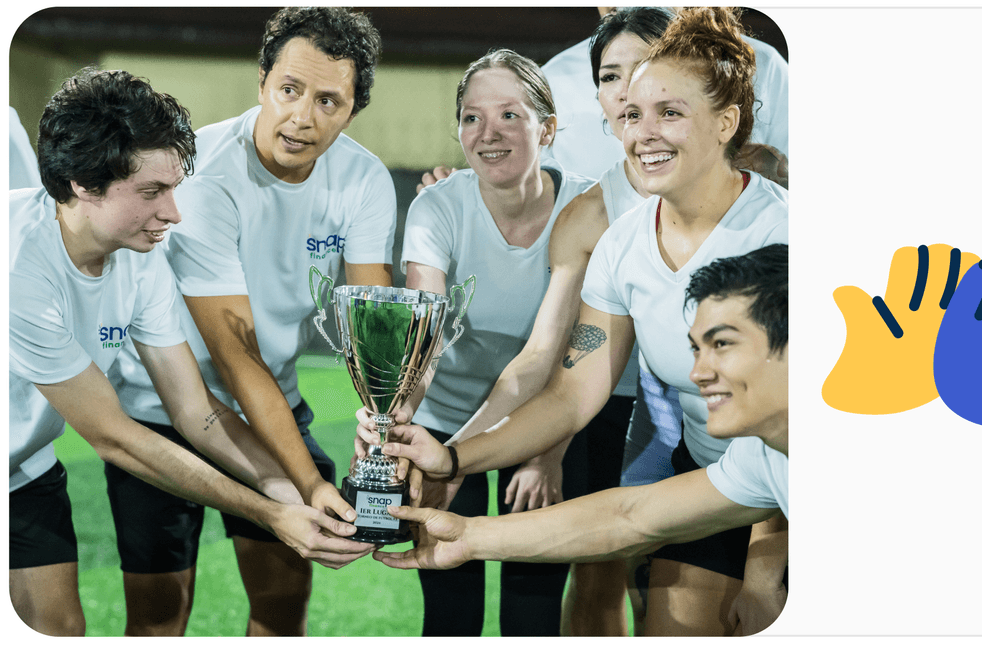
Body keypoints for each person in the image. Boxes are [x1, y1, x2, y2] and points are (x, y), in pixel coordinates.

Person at [370, 8, 789, 635]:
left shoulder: (783, 234)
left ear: (725, 121)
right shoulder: (620, 243)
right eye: (631, 112)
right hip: (722, 474)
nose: (642, 131)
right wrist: (454, 465)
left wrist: (769, 565)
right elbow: (568, 391)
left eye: (669, 112)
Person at [9, 67, 368, 637]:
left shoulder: (140, 249)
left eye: (175, 188)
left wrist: (291, 488)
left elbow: (196, 410)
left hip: (22, 470)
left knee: (58, 630)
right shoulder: (19, 269)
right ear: (82, 181)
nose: (174, 213)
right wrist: (272, 514)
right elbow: (113, 436)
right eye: (152, 192)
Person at [106, 7, 395, 637]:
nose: (302, 117)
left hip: (275, 404)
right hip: (162, 411)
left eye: (328, 101)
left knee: (283, 602)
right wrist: (306, 484)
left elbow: (376, 329)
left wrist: (384, 425)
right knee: (159, 616)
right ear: (262, 80)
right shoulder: (203, 176)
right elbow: (236, 355)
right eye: (289, 90)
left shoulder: (365, 179)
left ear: (352, 110)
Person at [379, 244, 789, 636]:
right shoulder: (762, 456)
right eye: (695, 349)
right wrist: (469, 538)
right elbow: (630, 518)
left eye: (722, 344)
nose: (697, 373)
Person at [382, 47, 595, 637]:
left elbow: (569, 353)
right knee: (449, 610)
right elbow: (423, 337)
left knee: (533, 609)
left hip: (546, 420)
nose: (488, 133)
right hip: (447, 421)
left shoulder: (587, 207)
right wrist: (398, 425)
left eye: (509, 115)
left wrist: (547, 450)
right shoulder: (437, 206)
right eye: (472, 117)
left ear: (547, 129)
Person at [541, 7, 789, 182]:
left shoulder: (762, 64)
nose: (628, 93)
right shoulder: (554, 79)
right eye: (609, 78)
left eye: (643, 68)